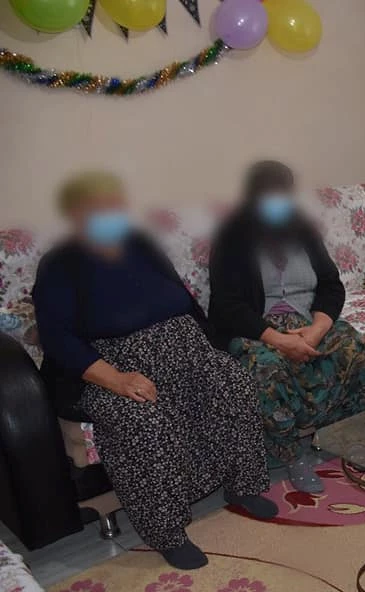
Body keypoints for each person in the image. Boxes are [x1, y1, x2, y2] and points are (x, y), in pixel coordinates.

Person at [33, 171, 276, 570]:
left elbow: (183, 300)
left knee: (233, 383)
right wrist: (117, 379)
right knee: (144, 422)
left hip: (184, 351)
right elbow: (57, 338)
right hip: (114, 368)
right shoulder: (60, 264)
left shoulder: (140, 244)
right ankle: (168, 532)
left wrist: (208, 349)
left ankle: (243, 486)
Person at [208, 161, 365, 493]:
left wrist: (317, 329)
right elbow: (227, 305)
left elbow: (331, 285)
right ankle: (293, 454)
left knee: (352, 345)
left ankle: (344, 435)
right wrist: (279, 340)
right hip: (257, 328)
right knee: (266, 368)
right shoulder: (232, 237)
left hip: (306, 322)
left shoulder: (303, 229)